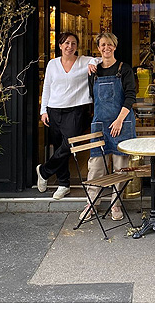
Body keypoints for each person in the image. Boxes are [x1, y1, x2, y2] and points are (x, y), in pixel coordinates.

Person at [37, 32, 100, 200]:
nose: (69, 46)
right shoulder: (52, 64)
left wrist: (93, 62)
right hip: (54, 109)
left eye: (73, 43)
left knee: (69, 144)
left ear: (77, 46)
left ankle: (44, 170)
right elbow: (47, 87)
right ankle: (63, 184)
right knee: (59, 147)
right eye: (66, 43)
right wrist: (43, 110)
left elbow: (100, 59)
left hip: (76, 110)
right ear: (60, 45)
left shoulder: (83, 61)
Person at [81, 32, 137, 221]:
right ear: (98, 48)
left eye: (110, 44)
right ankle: (92, 203)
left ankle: (116, 205)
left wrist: (119, 119)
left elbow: (130, 97)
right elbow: (92, 97)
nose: (106, 48)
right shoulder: (93, 71)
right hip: (100, 123)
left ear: (115, 46)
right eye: (103, 45)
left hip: (122, 122)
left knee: (120, 166)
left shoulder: (125, 69)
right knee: (96, 165)